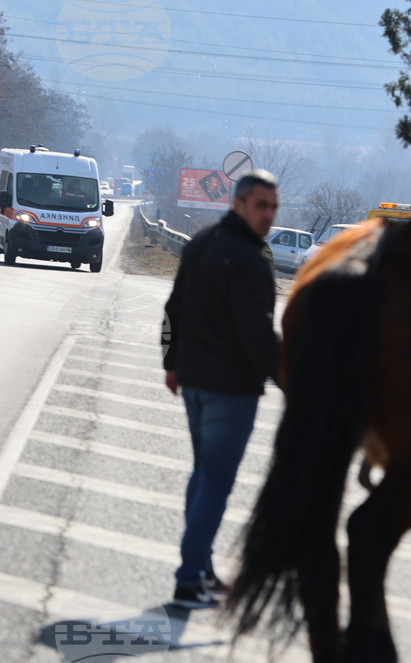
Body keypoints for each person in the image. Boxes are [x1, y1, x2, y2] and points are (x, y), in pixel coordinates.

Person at [162, 170, 281, 609]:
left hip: (194, 380)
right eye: (261, 206)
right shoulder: (251, 260)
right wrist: (291, 383)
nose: (268, 215)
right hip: (229, 388)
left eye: (273, 207)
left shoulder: (203, 243)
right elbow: (256, 337)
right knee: (214, 479)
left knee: (203, 473)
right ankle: (189, 579)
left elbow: (174, 306)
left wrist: (172, 364)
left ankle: (201, 569)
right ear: (240, 204)